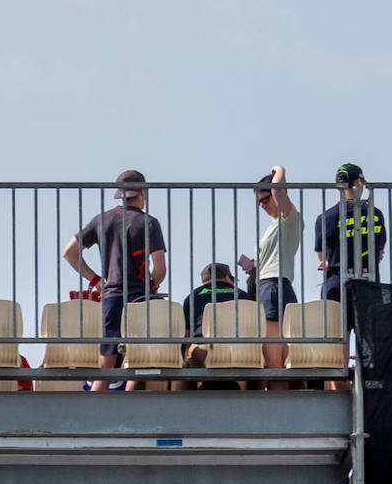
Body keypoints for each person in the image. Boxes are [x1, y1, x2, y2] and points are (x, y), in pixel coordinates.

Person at [62, 169, 167, 391]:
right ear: (144, 192)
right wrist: (153, 284)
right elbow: (159, 268)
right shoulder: (149, 223)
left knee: (107, 362)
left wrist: (96, 280)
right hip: (140, 297)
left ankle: (97, 414)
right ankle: (128, 413)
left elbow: (69, 252)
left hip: (111, 296)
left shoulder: (101, 220)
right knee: (138, 359)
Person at [243, 165, 301, 389]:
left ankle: (279, 412)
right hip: (269, 284)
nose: (263, 205)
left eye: (266, 199)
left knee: (273, 361)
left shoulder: (289, 218)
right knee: (275, 359)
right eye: (260, 202)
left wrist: (279, 169)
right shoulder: (274, 225)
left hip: (274, 285)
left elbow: (278, 187)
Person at [315, 163, 386, 302]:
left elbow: (323, 259)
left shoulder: (325, 218)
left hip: (336, 284)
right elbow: (379, 253)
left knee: (335, 324)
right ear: (359, 182)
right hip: (369, 285)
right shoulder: (375, 214)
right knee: (369, 324)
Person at [178, 262, 250, 390]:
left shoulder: (193, 297)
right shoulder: (244, 296)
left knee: (187, 365)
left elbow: (187, 335)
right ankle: (255, 400)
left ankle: (186, 403)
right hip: (241, 350)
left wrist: (184, 360)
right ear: (228, 278)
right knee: (257, 364)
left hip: (205, 351)